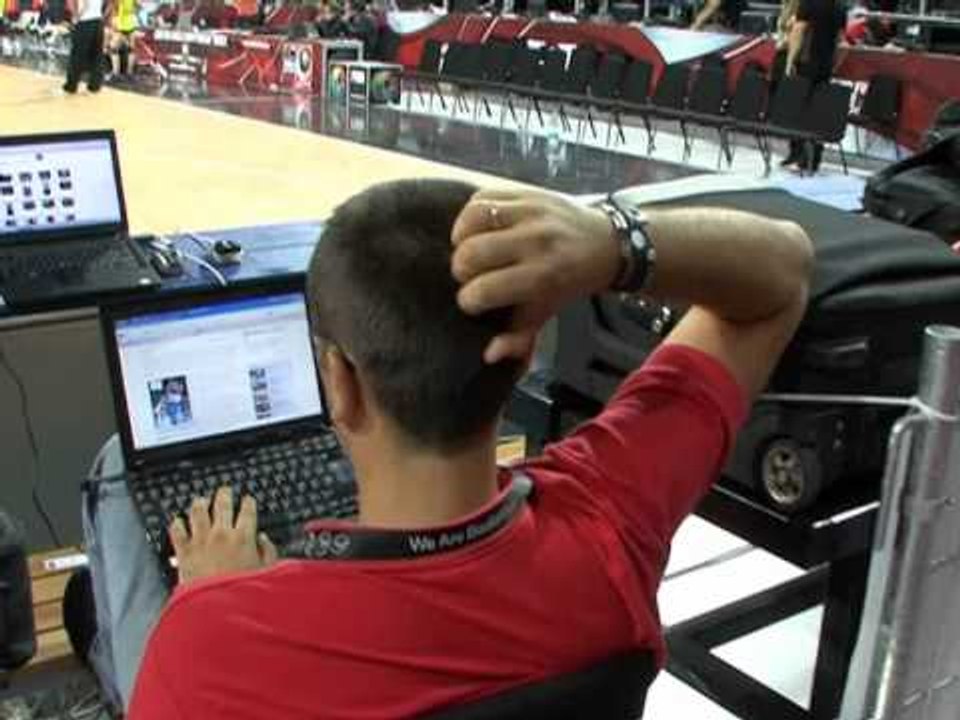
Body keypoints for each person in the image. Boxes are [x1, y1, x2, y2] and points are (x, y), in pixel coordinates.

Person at [93, 179, 811, 717]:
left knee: (114, 476)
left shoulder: (210, 643)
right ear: (524, 354)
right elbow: (784, 273)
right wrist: (612, 243)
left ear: (336, 383)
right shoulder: (614, 517)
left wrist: (212, 591)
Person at [782, 0, 847, 172]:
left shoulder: (808, 4)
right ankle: (813, 159)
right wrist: (833, 65)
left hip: (805, 62)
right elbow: (842, 43)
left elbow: (798, 31)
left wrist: (790, 61)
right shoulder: (840, 8)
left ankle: (796, 154)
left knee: (798, 109)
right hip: (824, 66)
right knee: (817, 113)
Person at [63, 0, 112, 94]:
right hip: (98, 22)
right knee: (97, 55)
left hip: (85, 22)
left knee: (77, 55)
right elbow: (111, 3)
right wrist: (103, 16)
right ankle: (94, 86)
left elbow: (70, 3)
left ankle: (71, 86)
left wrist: (76, 15)